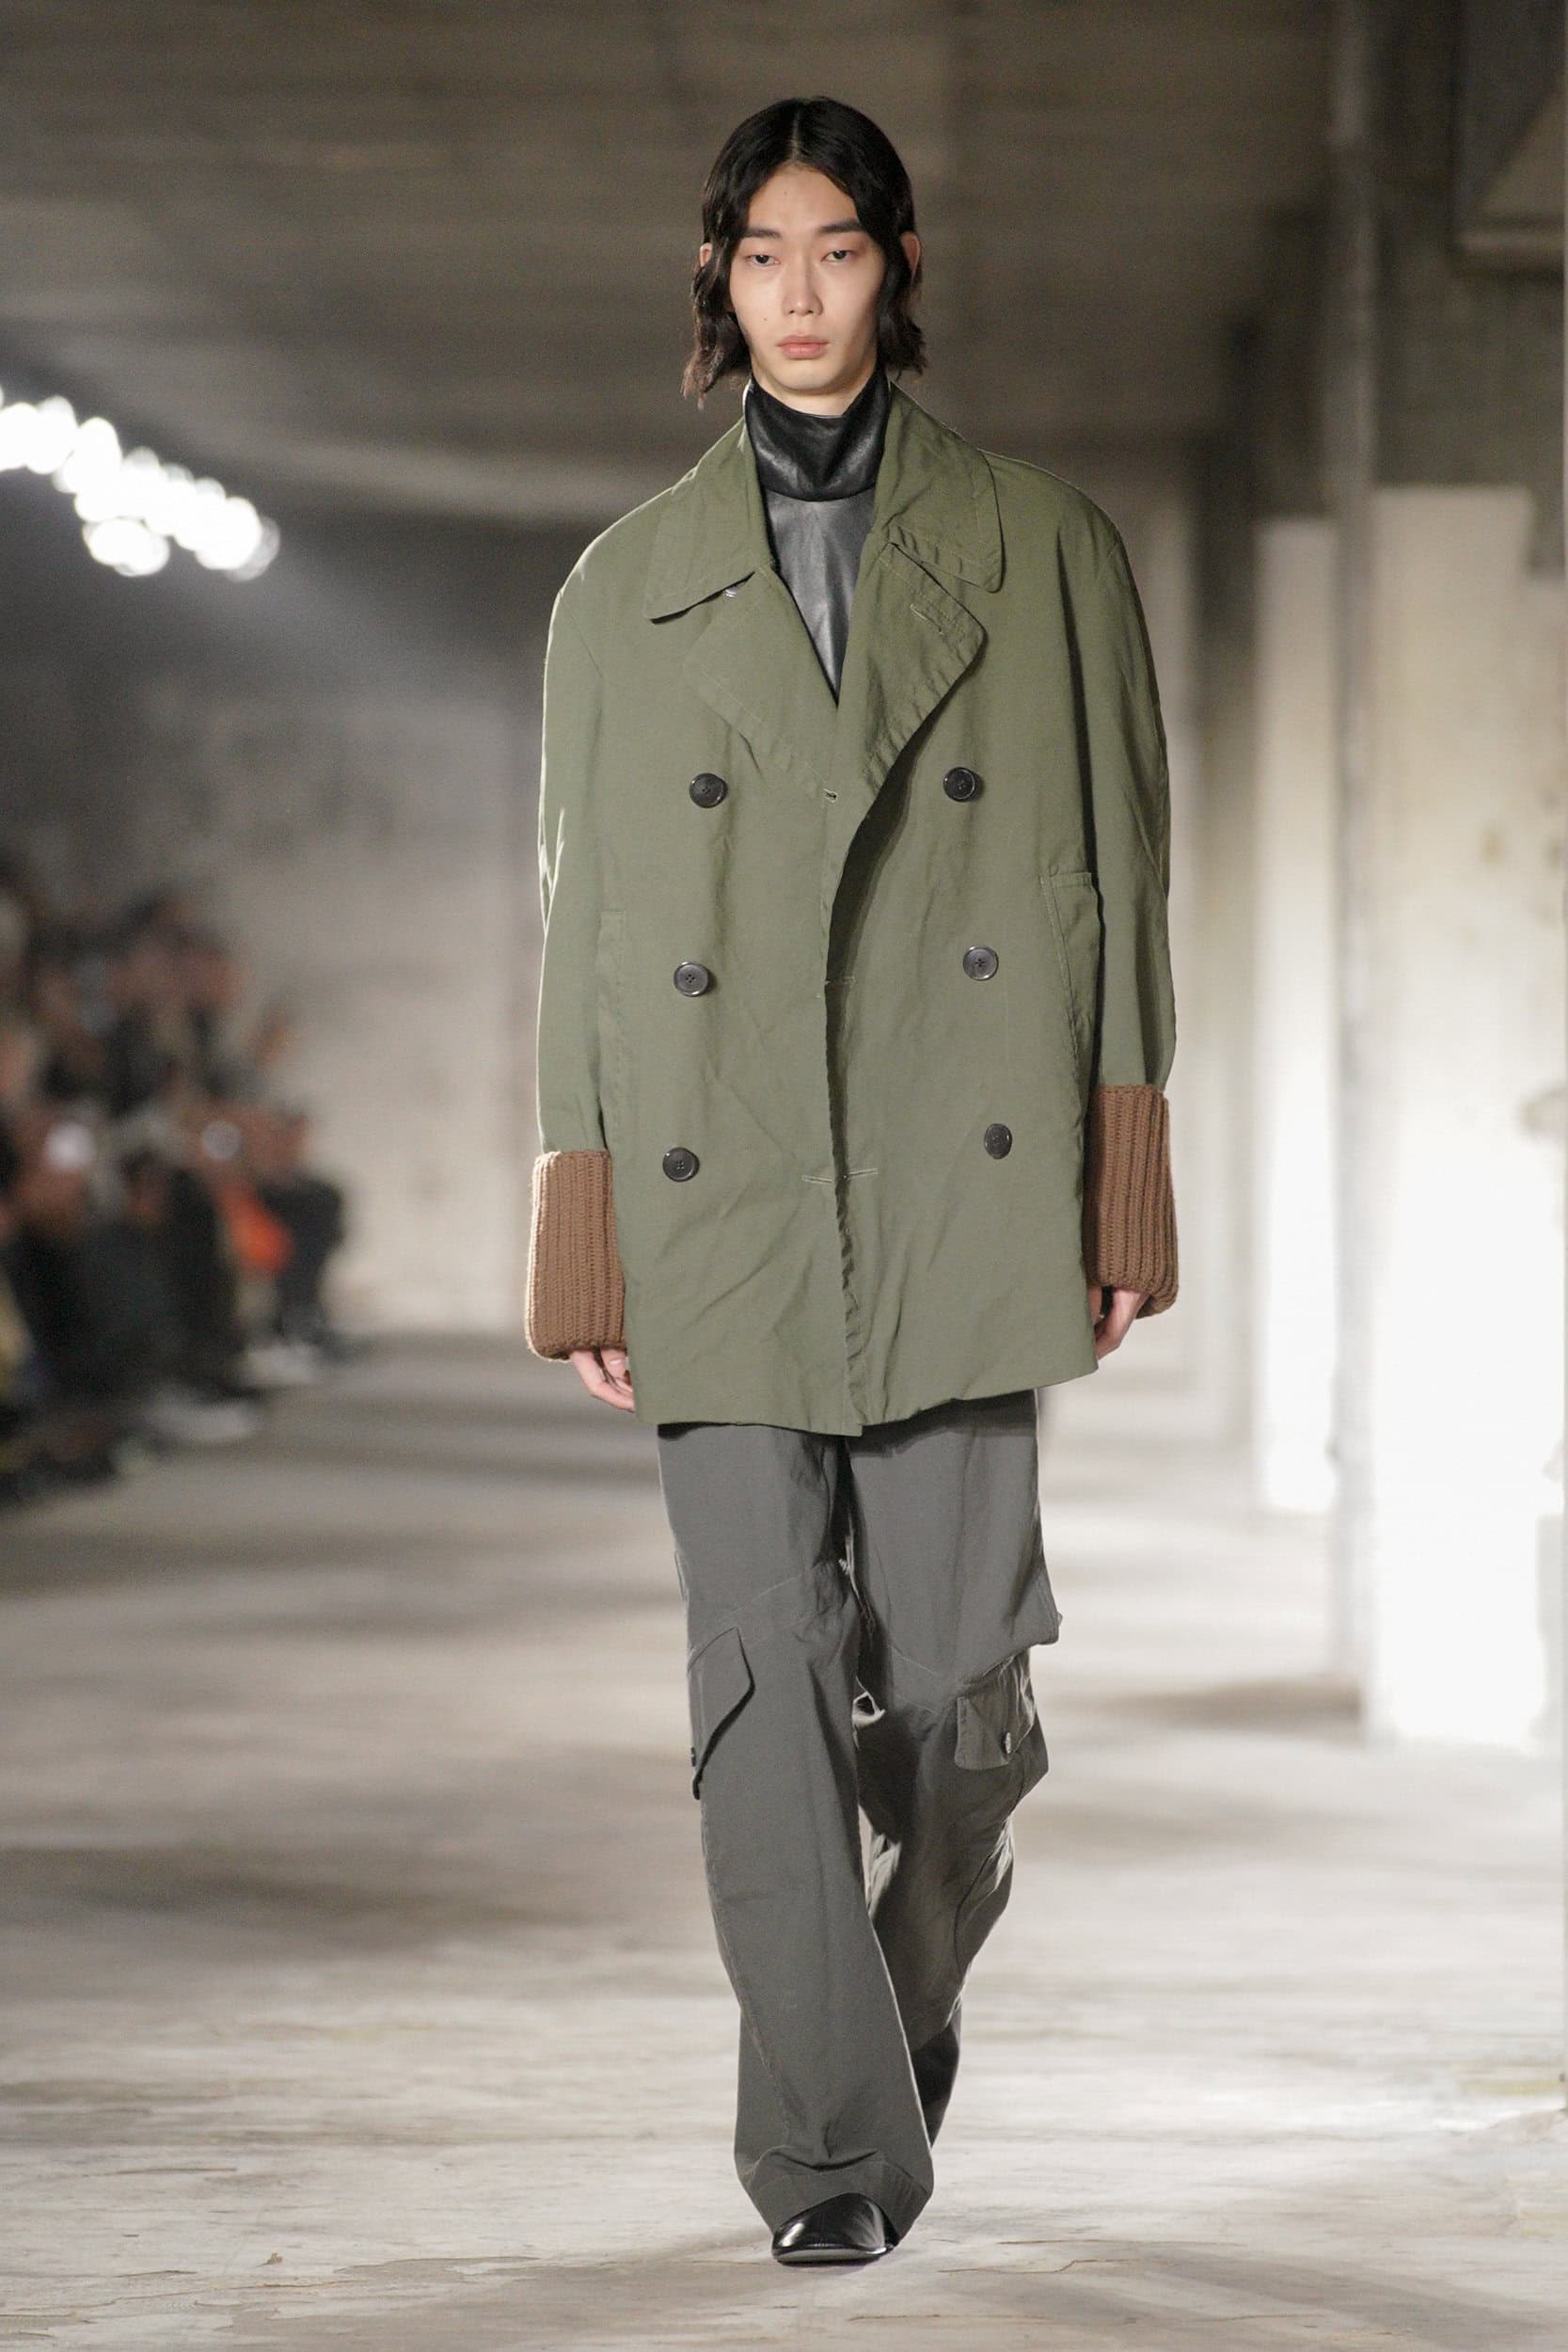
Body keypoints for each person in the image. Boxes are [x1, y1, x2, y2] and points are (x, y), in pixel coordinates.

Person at [524, 95, 1179, 2264]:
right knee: (764, 1676)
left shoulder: (1046, 548)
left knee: (966, 1699)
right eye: (763, 255)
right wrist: (586, 1230)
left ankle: (890, 2009)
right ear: (718, 280)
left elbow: (1120, 879)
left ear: (897, 268)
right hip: (717, 1181)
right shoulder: (624, 589)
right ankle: (827, 2150)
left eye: (839, 251)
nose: (800, 296)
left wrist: (1120, 1180)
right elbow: (584, 927)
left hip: (954, 1182)